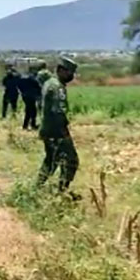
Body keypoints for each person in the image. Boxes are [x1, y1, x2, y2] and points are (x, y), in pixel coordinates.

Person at [37, 57, 79, 198]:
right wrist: (64, 132)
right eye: (69, 72)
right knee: (71, 161)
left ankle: (37, 188)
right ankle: (62, 191)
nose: (71, 76)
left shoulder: (49, 83)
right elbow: (58, 111)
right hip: (56, 131)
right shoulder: (57, 87)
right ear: (61, 70)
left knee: (51, 161)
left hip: (47, 129)